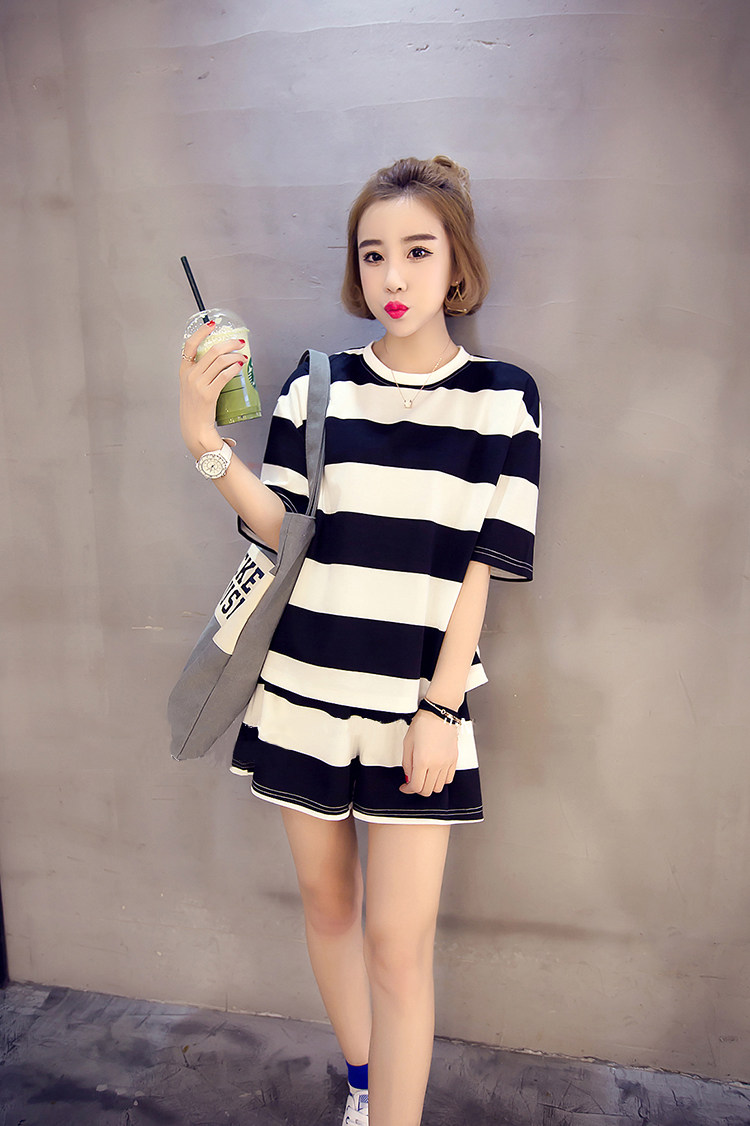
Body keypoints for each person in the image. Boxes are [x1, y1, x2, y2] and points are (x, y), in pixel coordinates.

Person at [178, 155, 541, 1126]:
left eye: (417, 251)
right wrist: (202, 437)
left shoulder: (503, 398)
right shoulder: (317, 384)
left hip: (416, 706)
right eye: (373, 254)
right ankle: (366, 1087)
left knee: (397, 946)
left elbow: (485, 565)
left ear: (456, 264)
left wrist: (441, 709)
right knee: (331, 908)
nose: (393, 276)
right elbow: (280, 529)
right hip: (301, 689)